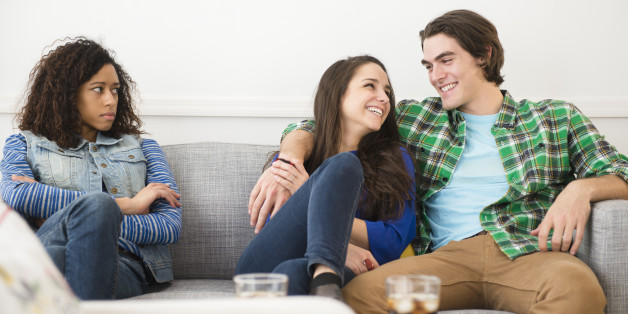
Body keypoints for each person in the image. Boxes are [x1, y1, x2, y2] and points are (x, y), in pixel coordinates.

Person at [248, 10, 628, 313]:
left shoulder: (553, 116)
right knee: (352, 298)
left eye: (445, 60)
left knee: (578, 290)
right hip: (442, 259)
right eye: (428, 65)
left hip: (526, 251)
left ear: (484, 55)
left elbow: (620, 171)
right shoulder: (418, 117)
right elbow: (319, 121)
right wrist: (290, 160)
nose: (435, 76)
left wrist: (582, 189)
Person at [0, 37, 182, 300]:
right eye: (98, 89)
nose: (111, 100)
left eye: (115, 90)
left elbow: (169, 226)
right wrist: (128, 206)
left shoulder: (145, 147)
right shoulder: (24, 143)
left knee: (59, 256)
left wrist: (83, 220)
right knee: (95, 210)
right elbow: (19, 196)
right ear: (68, 94)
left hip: (125, 265)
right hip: (52, 245)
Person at [236, 55, 416, 299]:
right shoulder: (295, 157)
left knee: (291, 274)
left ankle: (325, 278)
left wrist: (316, 202)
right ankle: (327, 272)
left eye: (387, 91)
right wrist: (341, 247)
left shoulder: (396, 158)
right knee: (344, 164)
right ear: (338, 94)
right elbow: (278, 225)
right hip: (262, 265)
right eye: (369, 85)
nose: (384, 98)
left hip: (350, 271)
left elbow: (394, 239)